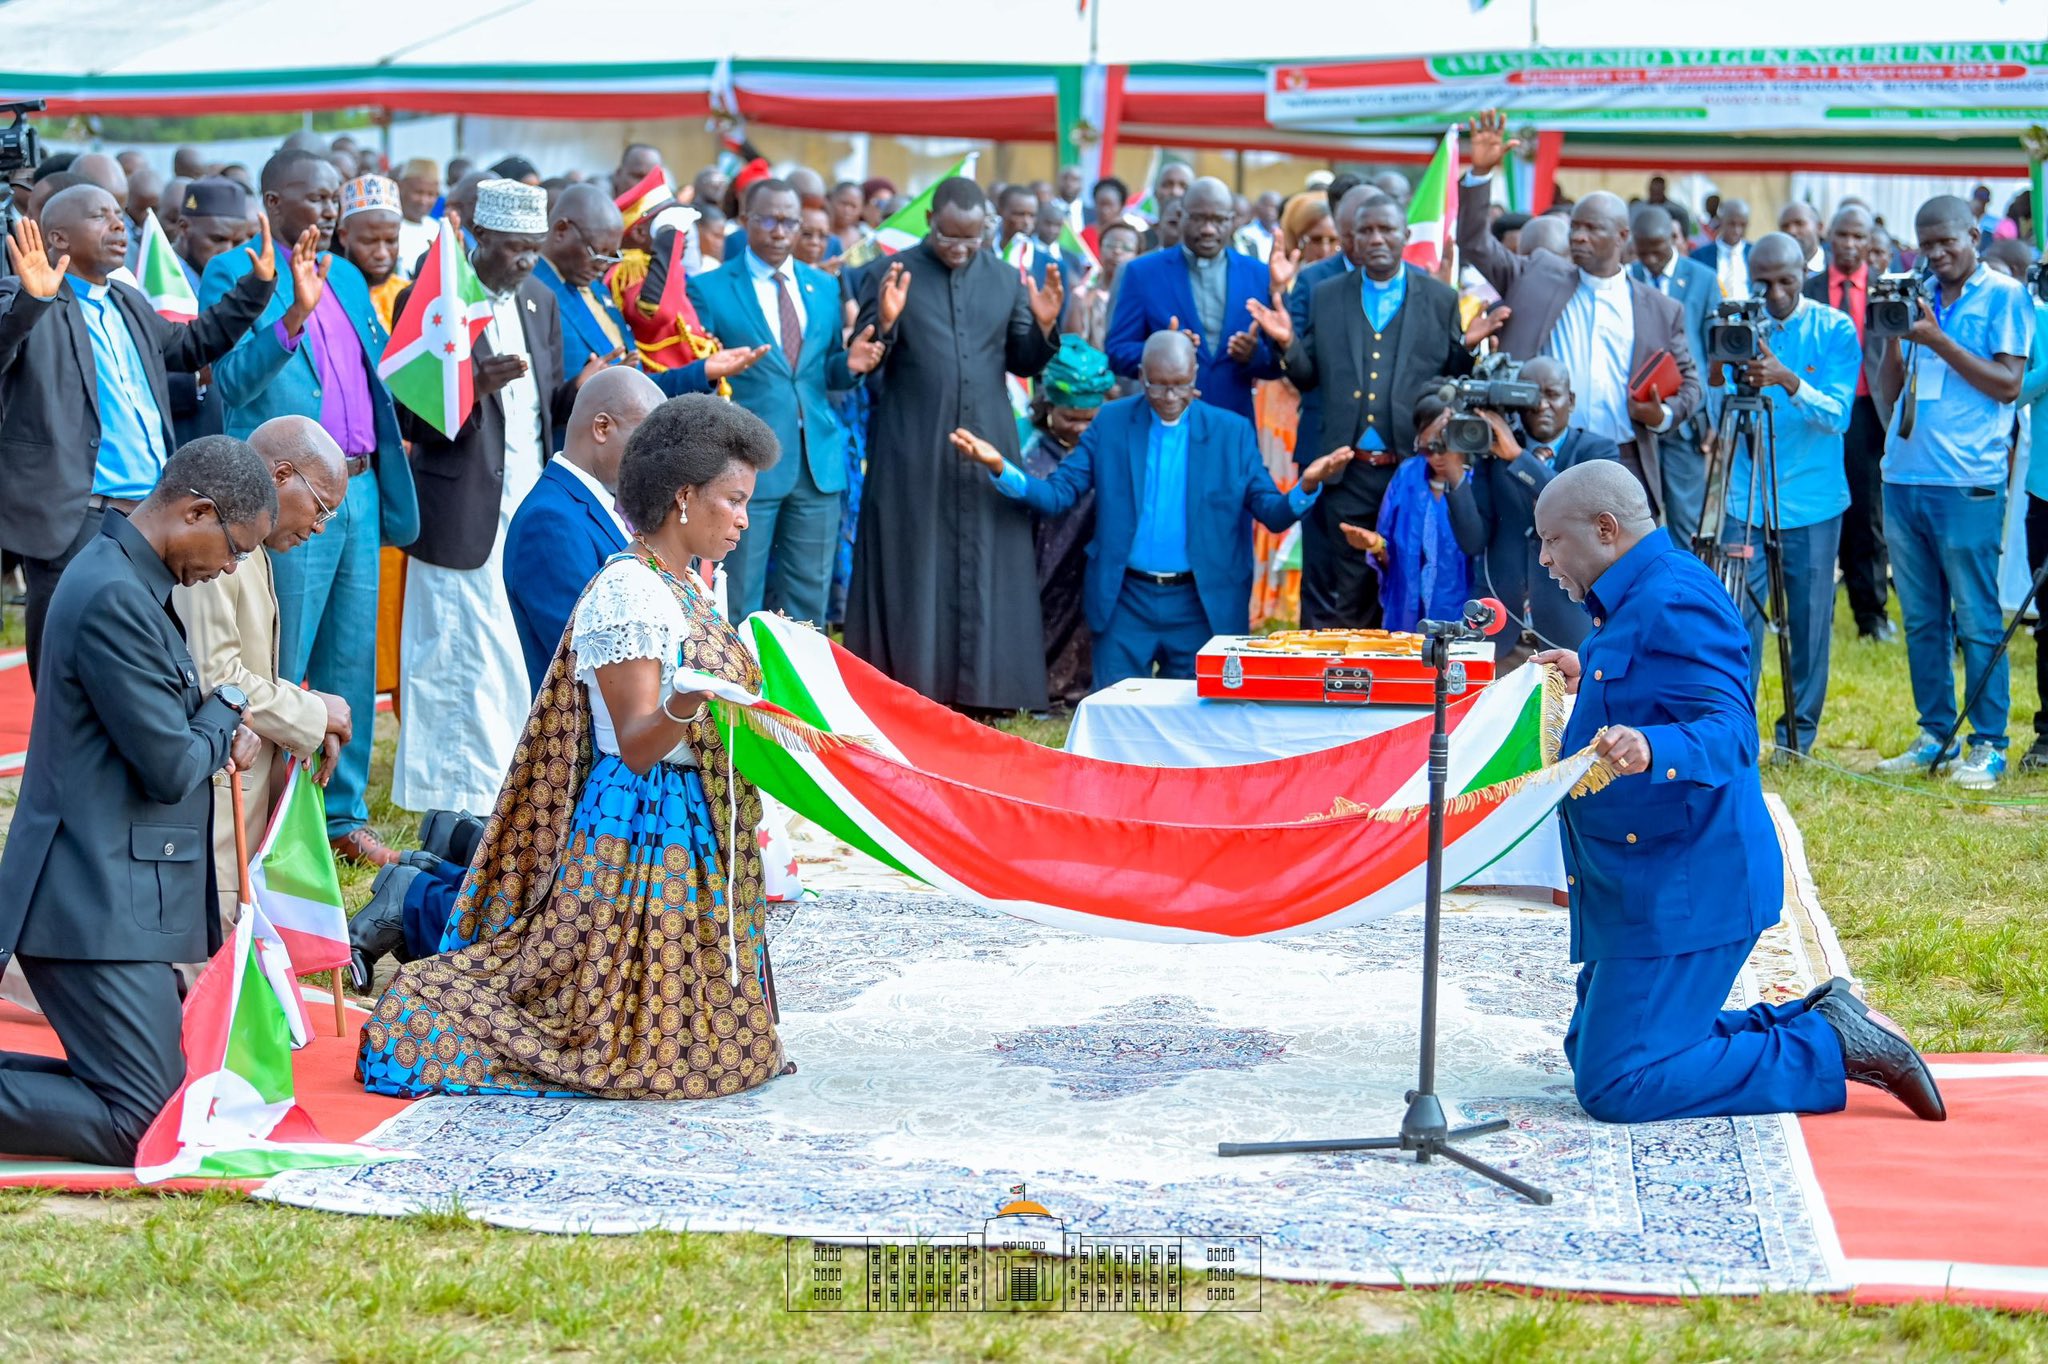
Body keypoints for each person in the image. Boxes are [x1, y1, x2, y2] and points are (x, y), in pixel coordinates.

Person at [359, 395, 792, 1100]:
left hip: (689, 821)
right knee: (633, 1047)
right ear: (684, 498)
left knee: (703, 1049)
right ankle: (416, 932)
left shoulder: (685, 588)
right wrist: (688, 699)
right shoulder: (629, 593)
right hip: (642, 827)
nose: (745, 519)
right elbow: (641, 745)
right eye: (734, 501)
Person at [1527, 459, 1944, 1125]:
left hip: (1690, 883)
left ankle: (1827, 1042)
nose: (1545, 558)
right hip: (1648, 876)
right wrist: (1589, 672)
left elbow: (1732, 731)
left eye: (1552, 540)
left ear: (1605, 529)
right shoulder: (1636, 592)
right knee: (1592, 1050)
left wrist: (1653, 746)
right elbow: (1659, 678)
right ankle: (1817, 1015)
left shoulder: (1675, 596)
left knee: (1618, 1083)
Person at [0, 437, 272, 1167]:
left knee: (151, 1098)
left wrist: (212, 722)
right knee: (143, 1122)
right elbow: (170, 765)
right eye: (235, 548)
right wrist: (229, 709)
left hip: (113, 893)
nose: (230, 568)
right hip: (87, 902)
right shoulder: (114, 594)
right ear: (198, 511)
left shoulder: (128, 579)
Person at [202, 146, 420, 867]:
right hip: (287, 493)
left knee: (349, 655)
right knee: (280, 655)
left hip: (356, 486)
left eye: (334, 200)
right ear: (271, 201)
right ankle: (269, 817)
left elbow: (375, 371)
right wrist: (292, 311)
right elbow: (228, 383)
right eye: (313, 198)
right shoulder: (236, 271)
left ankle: (340, 816)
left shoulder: (351, 276)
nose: (328, 212)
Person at [950, 330, 1352, 687]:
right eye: (1158, 387)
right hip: (1127, 599)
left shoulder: (1232, 432)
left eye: (1180, 386)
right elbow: (1058, 495)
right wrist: (1001, 468)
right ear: (1141, 376)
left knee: (1196, 725)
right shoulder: (1111, 422)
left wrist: (1307, 485)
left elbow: (1273, 513)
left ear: (1195, 377)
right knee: (1117, 720)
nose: (1170, 398)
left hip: (1202, 603)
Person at [0, 189, 277, 682]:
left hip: (149, 514)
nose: (118, 225)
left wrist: (255, 289)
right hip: (77, 515)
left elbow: (191, 345)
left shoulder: (126, 299)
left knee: (146, 660)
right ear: (58, 236)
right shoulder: (28, 297)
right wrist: (31, 302)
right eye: (100, 217)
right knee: (66, 665)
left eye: (117, 216)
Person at [847, 176, 1063, 711]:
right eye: (950, 239)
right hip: (912, 442)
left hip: (988, 438)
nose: (962, 250)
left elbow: (1023, 360)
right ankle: (912, 689)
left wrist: (1044, 326)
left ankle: (990, 690)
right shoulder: (889, 273)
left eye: (972, 240)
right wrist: (887, 322)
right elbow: (864, 359)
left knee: (989, 555)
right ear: (930, 223)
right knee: (914, 559)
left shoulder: (1005, 279)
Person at [393, 178, 568, 815]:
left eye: (535, 248)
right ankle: (457, 801)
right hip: (463, 507)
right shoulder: (433, 296)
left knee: (511, 651)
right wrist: (471, 384)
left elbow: (544, 407)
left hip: (527, 505)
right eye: (514, 248)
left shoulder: (539, 302)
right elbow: (410, 419)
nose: (526, 261)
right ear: (479, 238)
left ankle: (512, 787)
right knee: (456, 649)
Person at [1459, 111, 1700, 516]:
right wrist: (1481, 173)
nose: (1578, 236)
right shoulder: (1536, 273)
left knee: (1618, 575)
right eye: (1575, 227)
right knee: (1544, 569)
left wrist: (1663, 414)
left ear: (1623, 237)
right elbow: (1474, 243)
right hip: (1544, 452)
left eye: (1592, 228)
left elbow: (1692, 384)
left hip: (1623, 459)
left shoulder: (1660, 308)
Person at [1872, 195, 2033, 788]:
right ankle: (1934, 733)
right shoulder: (1919, 295)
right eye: (1927, 245)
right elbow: (1890, 395)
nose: (1937, 254)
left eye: (1948, 242)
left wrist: (1936, 340)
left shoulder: (2005, 295)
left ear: (1975, 235)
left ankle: (1988, 742)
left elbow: (2009, 385)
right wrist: (1894, 335)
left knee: (1977, 619)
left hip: (1967, 482)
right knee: (1921, 620)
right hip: (1904, 476)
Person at [1254, 193, 1470, 628]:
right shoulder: (1326, 294)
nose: (1376, 239)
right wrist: (1287, 345)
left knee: (1404, 578)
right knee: (1341, 589)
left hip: (1408, 468)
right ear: (1351, 238)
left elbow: (1450, 381)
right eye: (1365, 231)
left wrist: (1469, 349)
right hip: (1343, 469)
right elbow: (1307, 377)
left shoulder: (1439, 297)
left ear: (1405, 236)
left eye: (1386, 229)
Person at [172, 417, 353, 930]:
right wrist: (314, 714)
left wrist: (308, 721)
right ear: (280, 475)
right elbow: (218, 675)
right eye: (320, 508)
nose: (320, 528)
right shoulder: (218, 540)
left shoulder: (250, 541)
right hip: (209, 802)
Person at [687, 179, 884, 625]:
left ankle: (793, 693)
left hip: (816, 464)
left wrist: (849, 363)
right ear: (746, 221)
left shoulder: (824, 287)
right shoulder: (711, 288)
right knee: (736, 589)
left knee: (807, 599)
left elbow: (821, 374)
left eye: (789, 221)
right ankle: (733, 690)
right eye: (769, 220)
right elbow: (705, 375)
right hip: (745, 464)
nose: (780, 231)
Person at [1713, 233, 1860, 756]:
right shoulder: (1736, 324)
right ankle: (1734, 732)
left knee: (1808, 624)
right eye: (1763, 281)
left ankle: (1797, 738)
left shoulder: (1836, 329)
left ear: (1805, 274)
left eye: (1786, 281)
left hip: (1813, 502)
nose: (1773, 293)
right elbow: (1716, 411)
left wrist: (1788, 380)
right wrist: (1718, 368)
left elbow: (1839, 416)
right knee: (1733, 621)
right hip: (1744, 499)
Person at [532, 183, 752, 450]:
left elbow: (636, 383)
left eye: (612, 257)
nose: (603, 265)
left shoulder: (596, 290)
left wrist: (704, 371)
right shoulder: (533, 290)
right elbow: (530, 403)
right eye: (596, 253)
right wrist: (578, 390)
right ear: (562, 231)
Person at [1444, 356, 1623, 659]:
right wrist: (1453, 474)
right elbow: (1473, 541)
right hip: (1498, 632)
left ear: (1572, 399)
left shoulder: (1598, 452)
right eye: (1531, 397)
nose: (1542, 406)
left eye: (1552, 395)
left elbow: (1583, 512)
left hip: (1569, 632)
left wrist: (1517, 458)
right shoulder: (1493, 451)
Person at [503, 366, 663, 692]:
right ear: (602, 427)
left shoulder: (597, 501)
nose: (654, 461)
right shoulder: (549, 521)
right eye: (646, 444)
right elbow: (587, 658)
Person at [1106, 177, 1279, 421]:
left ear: (1232, 221)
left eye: (1218, 220)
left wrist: (1254, 356)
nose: (1208, 229)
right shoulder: (1142, 273)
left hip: (1233, 424)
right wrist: (1164, 350)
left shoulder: (1259, 275)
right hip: (1163, 423)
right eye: (1198, 218)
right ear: (1182, 216)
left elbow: (1278, 364)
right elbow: (1117, 352)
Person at [1806, 203, 1894, 641]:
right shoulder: (1808, 288)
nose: (1851, 244)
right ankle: (1814, 605)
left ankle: (1871, 615)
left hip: (1868, 413)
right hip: (1816, 411)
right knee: (1820, 507)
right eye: (1843, 235)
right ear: (1830, 237)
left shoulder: (1885, 291)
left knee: (1866, 514)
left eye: (1860, 237)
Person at [1017, 336, 1117, 705]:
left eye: (1088, 420)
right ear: (1047, 407)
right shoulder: (1024, 442)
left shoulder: (1110, 439)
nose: (1079, 428)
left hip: (1084, 569)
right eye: (1069, 418)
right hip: (1035, 565)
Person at [1628, 205, 1722, 542]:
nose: (1650, 259)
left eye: (1657, 250)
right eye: (1643, 252)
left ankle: (1686, 590)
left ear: (1673, 238)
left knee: (1686, 521)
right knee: (1638, 521)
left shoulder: (1702, 279)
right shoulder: (1627, 278)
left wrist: (1716, 415)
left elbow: (1715, 355)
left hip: (1687, 421)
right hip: (1637, 418)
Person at [1366, 393, 1470, 633]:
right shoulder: (1407, 475)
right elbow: (1387, 548)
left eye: (1443, 446)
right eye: (1427, 449)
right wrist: (1374, 545)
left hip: (1461, 613)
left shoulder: (1476, 482)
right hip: (1408, 613)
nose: (1436, 457)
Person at [166, 177, 255, 448]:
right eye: (218, 239)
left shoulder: (242, 280)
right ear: (184, 226)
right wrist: (196, 376)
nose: (228, 251)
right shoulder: (155, 281)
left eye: (238, 241)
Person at [335, 174, 405, 328]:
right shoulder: (329, 296)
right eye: (368, 242)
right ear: (344, 236)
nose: (382, 253)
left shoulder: (409, 295)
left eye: (391, 241)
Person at [1064, 220, 1137, 353]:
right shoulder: (1081, 296)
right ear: (1100, 249)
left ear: (1138, 255)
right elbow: (1073, 350)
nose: (1117, 251)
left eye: (1126, 248)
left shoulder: (1141, 299)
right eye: (1110, 245)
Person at [1691, 198, 1752, 300]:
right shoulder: (1700, 256)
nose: (1737, 230)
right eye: (1732, 224)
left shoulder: (1755, 254)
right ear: (1721, 221)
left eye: (1742, 225)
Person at [394, 157, 441, 265]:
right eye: (418, 193)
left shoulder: (436, 229)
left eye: (430, 194)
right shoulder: (389, 228)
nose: (423, 201)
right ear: (401, 187)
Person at [1779, 201, 1825, 274]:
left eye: (1799, 224)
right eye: (1785, 227)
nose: (1791, 231)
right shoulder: (1774, 270)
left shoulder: (1836, 265)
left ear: (1819, 227)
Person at [1236, 191, 1282, 262]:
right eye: (1268, 206)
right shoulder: (1245, 233)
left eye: (1276, 207)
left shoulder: (1283, 233)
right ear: (1258, 206)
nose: (1271, 211)